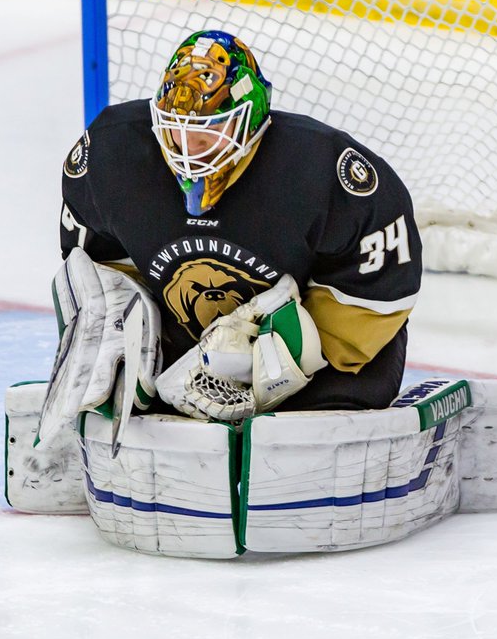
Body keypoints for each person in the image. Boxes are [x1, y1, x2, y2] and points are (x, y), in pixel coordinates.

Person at [58, 29, 422, 414]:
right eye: (177, 129)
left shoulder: (322, 169)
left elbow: (379, 293)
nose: (190, 148)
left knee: (328, 414)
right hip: (180, 362)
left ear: (251, 120)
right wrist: (124, 324)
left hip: (316, 370)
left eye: (209, 130)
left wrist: (278, 354)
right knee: (119, 393)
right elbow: (93, 265)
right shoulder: (111, 154)